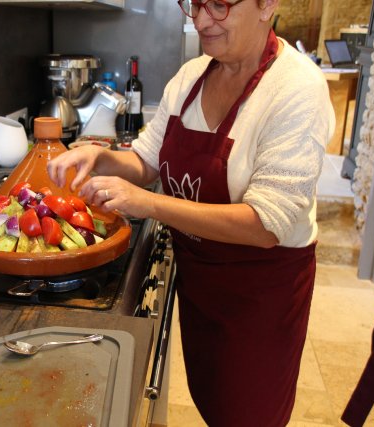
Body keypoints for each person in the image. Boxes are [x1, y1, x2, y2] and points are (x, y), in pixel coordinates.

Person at [47, 0, 335, 425]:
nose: (201, 20)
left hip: (259, 297)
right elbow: (147, 161)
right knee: (212, 398)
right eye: (194, 4)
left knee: (250, 414)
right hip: (201, 284)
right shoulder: (190, 78)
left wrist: (147, 203)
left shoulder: (296, 89)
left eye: (218, 5)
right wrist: (101, 156)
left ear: (267, 5)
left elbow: (265, 226)